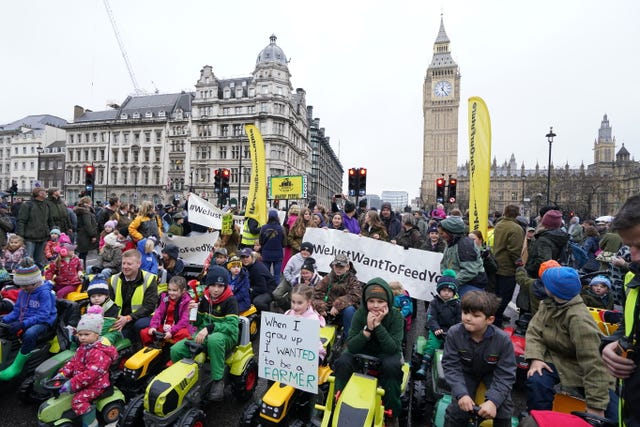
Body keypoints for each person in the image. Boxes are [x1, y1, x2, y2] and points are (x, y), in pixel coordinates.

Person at [525, 266, 614, 418]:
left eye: (545, 283)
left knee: (613, 411)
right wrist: (536, 358)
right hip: (554, 356)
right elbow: (534, 331)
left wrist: (596, 405)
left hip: (576, 365)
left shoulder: (578, 319)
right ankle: (539, 418)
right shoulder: (548, 304)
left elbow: (593, 362)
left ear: (554, 290)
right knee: (537, 380)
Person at [333, 278, 404, 427]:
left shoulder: (397, 317)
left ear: (388, 302)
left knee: (393, 368)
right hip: (361, 350)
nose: (376, 306)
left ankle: (391, 412)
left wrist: (377, 326)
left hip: (386, 353)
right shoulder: (360, 314)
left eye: (380, 301)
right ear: (366, 302)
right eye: (371, 301)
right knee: (342, 361)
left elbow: (392, 348)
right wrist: (367, 330)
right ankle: (338, 399)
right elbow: (351, 346)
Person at [442, 291, 516, 427]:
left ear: (490, 319)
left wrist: (493, 401)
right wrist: (461, 394)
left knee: (504, 409)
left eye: (475, 315)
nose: (468, 318)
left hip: (491, 373)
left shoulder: (502, 339)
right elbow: (451, 366)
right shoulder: (454, 333)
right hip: (466, 372)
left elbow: (506, 373)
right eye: (465, 313)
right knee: (458, 410)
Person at [170, 265, 238, 401]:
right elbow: (196, 323)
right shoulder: (204, 299)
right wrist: (192, 312)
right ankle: (184, 379)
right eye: (212, 285)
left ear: (225, 286)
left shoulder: (230, 301)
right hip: (205, 334)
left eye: (220, 285)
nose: (216, 289)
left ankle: (218, 380)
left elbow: (232, 327)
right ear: (208, 285)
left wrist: (209, 328)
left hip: (226, 338)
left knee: (214, 340)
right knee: (175, 349)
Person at [601, 194, 640, 427]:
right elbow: (629, 329)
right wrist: (612, 345)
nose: (634, 256)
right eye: (629, 246)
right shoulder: (633, 279)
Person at [53, 305, 117, 427]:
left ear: (96, 335)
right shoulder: (83, 348)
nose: (82, 337)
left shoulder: (99, 354)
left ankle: (91, 422)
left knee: (78, 400)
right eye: (80, 334)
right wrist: (62, 374)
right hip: (81, 381)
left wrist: (71, 383)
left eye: (86, 334)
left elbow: (90, 375)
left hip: (96, 385)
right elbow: (73, 363)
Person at [0, 257, 57, 381]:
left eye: (26, 286)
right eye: (22, 286)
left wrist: (23, 324)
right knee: (3, 323)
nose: (24, 288)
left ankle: (18, 365)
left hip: (44, 322)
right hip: (26, 319)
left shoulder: (44, 293)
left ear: (36, 282)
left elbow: (44, 315)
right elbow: (16, 311)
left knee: (30, 333)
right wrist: (5, 320)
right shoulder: (23, 292)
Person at [415, 271, 462, 378]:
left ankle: (450, 371)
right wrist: (436, 328)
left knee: (454, 350)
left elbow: (459, 320)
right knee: (432, 345)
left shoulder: (457, 305)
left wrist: (454, 330)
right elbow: (431, 317)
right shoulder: (434, 303)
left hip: (451, 332)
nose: (446, 293)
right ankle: (424, 366)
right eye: (444, 290)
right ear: (439, 290)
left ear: (454, 293)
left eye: (450, 291)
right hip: (437, 330)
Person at [109, 249, 158, 345]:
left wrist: (128, 318)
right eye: (124, 263)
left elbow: (149, 306)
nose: (125, 267)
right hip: (119, 318)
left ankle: (138, 345)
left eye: (129, 264)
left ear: (138, 264)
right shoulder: (114, 279)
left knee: (138, 325)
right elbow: (109, 302)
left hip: (140, 317)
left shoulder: (149, 279)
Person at [312, 253, 361, 337]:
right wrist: (321, 307)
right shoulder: (327, 277)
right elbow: (317, 293)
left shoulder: (353, 280)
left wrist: (338, 304)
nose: (338, 269)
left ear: (347, 267)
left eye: (341, 267)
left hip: (343, 311)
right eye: (336, 266)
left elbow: (356, 295)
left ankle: (347, 339)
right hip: (327, 309)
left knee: (350, 310)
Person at [492, 205, 524, 327]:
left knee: (497, 294)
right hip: (507, 267)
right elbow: (514, 250)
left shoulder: (499, 225)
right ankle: (496, 319)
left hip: (497, 263)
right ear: (517, 214)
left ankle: (495, 317)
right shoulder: (516, 228)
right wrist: (519, 263)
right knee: (506, 295)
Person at [439, 216, 488, 295]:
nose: (440, 235)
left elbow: (470, 271)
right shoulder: (450, 243)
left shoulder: (465, 245)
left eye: (442, 233)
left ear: (450, 232)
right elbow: (445, 263)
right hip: (458, 283)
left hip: (471, 285)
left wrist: (451, 282)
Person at [141, 275, 194, 346]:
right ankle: (152, 350)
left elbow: (184, 320)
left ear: (183, 291)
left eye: (174, 290)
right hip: (164, 326)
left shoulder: (187, 302)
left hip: (177, 328)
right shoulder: (165, 298)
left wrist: (171, 332)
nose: (171, 293)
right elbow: (158, 313)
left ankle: (170, 352)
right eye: (169, 289)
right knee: (145, 332)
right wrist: (153, 326)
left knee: (184, 334)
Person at [284, 284, 326, 360]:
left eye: (300, 303)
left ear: (308, 302)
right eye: (293, 302)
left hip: (312, 353)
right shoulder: (288, 313)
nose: (295, 306)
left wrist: (302, 324)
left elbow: (309, 341)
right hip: (291, 351)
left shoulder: (313, 319)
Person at [524, 210, 569, 278]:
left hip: (537, 276)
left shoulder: (544, 239)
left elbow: (544, 261)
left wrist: (530, 266)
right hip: (554, 274)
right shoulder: (561, 236)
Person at [17, 187, 54, 268]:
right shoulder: (27, 205)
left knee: (40, 261)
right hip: (30, 237)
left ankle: (39, 278)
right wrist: (20, 236)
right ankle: (26, 277)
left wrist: (52, 231)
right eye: (43, 192)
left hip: (43, 236)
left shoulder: (47, 205)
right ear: (37, 193)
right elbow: (21, 221)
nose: (45, 193)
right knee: (28, 260)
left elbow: (50, 220)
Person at [85, 276, 121, 346]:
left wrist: (93, 335)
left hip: (110, 331)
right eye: (93, 296)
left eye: (99, 295)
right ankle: (76, 353)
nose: (96, 298)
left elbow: (107, 324)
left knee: (103, 342)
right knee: (78, 338)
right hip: (93, 331)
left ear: (106, 295)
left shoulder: (111, 306)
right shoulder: (89, 306)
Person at [240, 248, 277, 312]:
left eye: (247, 257)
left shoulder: (257, 269)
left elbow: (262, 288)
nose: (245, 259)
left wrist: (249, 291)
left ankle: (268, 313)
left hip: (269, 290)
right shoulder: (244, 267)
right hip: (256, 288)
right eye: (243, 257)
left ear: (252, 257)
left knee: (257, 302)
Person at [257, 209, 286, 283]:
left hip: (266, 253)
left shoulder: (263, 228)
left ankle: (267, 289)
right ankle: (276, 291)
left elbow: (260, 241)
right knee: (277, 275)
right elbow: (284, 242)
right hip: (278, 254)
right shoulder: (281, 228)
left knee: (266, 274)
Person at [74, 196, 98, 267]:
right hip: (85, 235)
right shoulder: (85, 212)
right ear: (87, 203)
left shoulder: (82, 211)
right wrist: (93, 235)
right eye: (90, 202)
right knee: (83, 254)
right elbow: (88, 225)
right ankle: (80, 268)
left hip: (82, 234)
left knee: (82, 253)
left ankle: (79, 267)